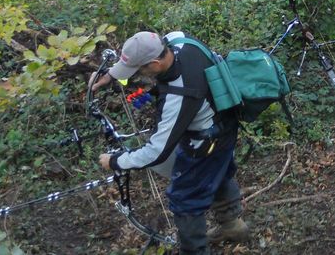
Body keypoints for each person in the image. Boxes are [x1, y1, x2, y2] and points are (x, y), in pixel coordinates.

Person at [91, 31, 249, 254]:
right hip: (224, 123)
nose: (137, 75)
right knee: (217, 173)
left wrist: (116, 161)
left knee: (186, 199)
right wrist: (111, 75)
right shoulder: (180, 41)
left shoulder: (180, 95)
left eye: (139, 70)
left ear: (155, 63)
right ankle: (233, 226)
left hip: (206, 144)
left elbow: (157, 152)